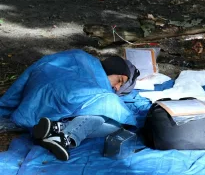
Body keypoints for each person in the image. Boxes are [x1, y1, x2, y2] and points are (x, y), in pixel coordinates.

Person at [0, 50, 139, 161]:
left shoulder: (80, 56)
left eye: (121, 87)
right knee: (110, 109)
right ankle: (65, 135)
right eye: (120, 80)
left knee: (111, 121)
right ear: (112, 68)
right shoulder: (82, 60)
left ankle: (55, 130)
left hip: (37, 103)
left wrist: (8, 103)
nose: (116, 87)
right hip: (59, 94)